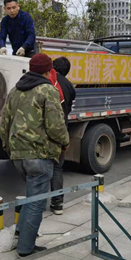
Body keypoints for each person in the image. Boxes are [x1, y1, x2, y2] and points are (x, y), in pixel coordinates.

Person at [0, 53, 69, 257]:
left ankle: (20, 232)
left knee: (32, 194)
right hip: (39, 153)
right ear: (49, 71)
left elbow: (4, 124)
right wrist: (65, 142)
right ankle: (26, 247)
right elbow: (55, 125)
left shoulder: (15, 90)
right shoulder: (48, 90)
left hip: (18, 154)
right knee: (37, 202)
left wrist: (9, 148)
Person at [48, 57, 76, 215]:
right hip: (61, 131)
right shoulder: (70, 86)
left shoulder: (45, 81)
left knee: (41, 169)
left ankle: (35, 205)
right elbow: (68, 110)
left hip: (43, 133)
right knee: (57, 168)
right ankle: (57, 204)